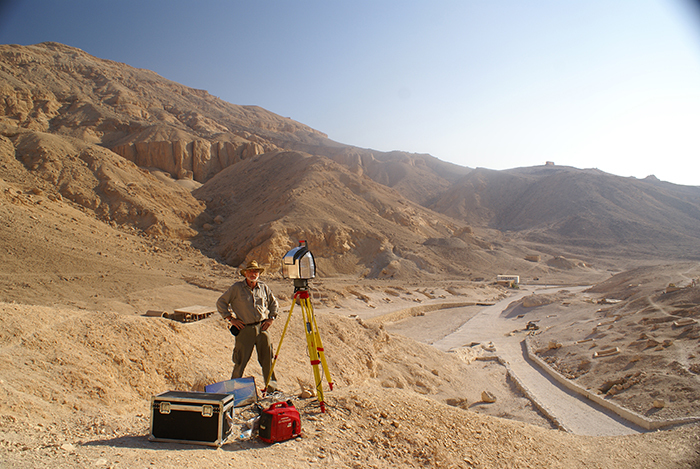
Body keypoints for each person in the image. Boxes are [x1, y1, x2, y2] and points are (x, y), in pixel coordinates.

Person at [217, 260, 279, 393]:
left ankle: (271, 388)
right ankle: (232, 391)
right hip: (244, 330)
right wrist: (230, 319)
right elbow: (221, 302)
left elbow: (274, 304)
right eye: (250, 271)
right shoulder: (236, 288)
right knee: (240, 361)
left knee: (267, 360)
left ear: (259, 273)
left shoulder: (263, 288)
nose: (253, 274)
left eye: (255, 271)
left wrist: (271, 318)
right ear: (245, 273)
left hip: (262, 328)